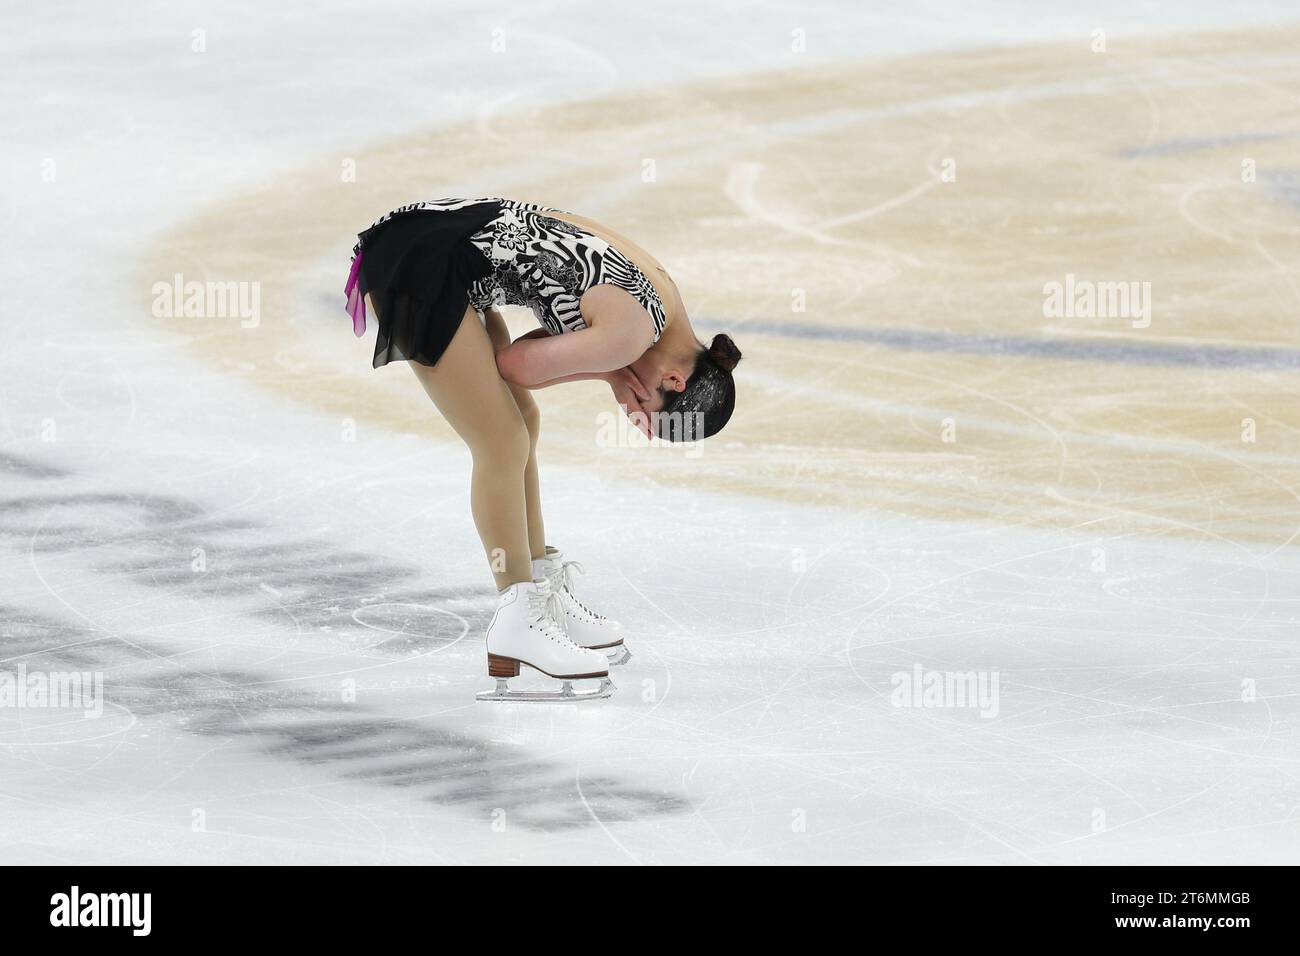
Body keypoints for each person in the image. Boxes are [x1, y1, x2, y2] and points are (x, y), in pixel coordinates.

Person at [344, 198, 741, 700]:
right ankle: (517, 616)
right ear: (673, 378)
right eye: (645, 413)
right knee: (500, 440)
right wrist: (612, 369)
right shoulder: (629, 338)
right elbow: (516, 365)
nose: (632, 415)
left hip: (437, 239)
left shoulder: (665, 305)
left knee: (523, 420)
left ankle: (538, 586)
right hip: (419, 260)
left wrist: (616, 366)